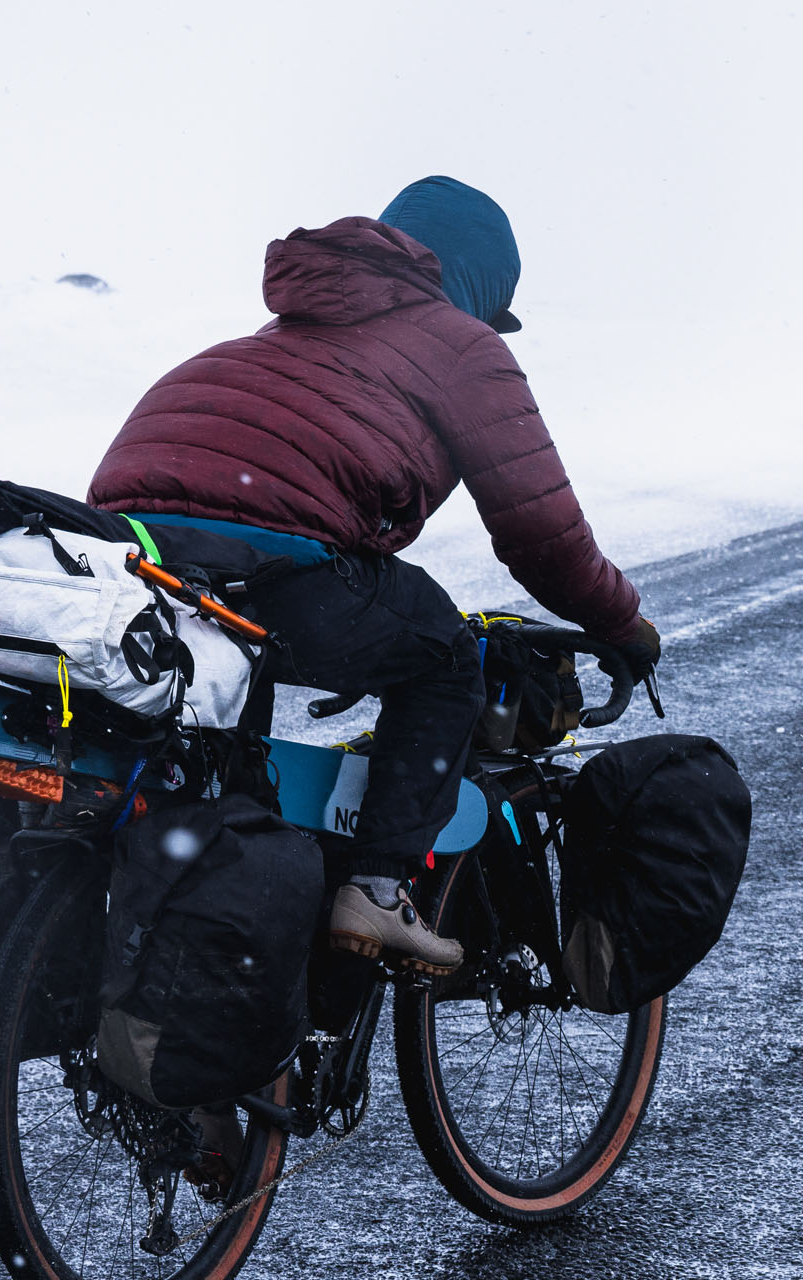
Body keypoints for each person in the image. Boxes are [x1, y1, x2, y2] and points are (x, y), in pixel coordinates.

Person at [88, 176, 660, 974]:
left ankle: (219, 947)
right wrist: (622, 624)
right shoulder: (461, 344)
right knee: (445, 657)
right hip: (270, 563)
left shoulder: (286, 327)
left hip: (135, 556)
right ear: (479, 286)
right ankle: (378, 889)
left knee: (223, 759)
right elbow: (542, 532)